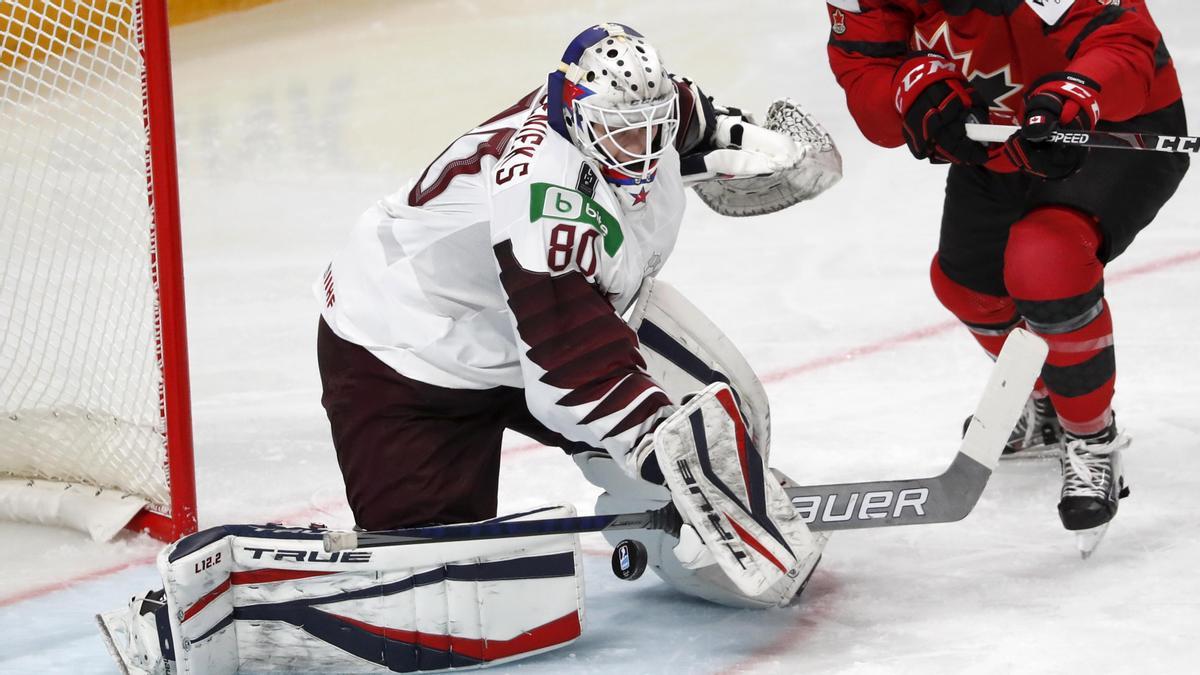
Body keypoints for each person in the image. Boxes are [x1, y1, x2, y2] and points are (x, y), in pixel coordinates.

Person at [314, 22, 839, 608]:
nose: (641, 150)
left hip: (542, 317)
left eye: (652, 131)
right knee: (434, 591)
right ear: (576, 119)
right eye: (622, 135)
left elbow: (680, 110)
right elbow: (571, 367)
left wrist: (728, 133)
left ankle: (671, 529)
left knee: (726, 411)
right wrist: (667, 452)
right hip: (407, 354)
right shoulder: (546, 199)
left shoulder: (632, 110)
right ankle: (682, 504)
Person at [824, 0, 1188, 544]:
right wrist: (909, 88)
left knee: (1046, 258)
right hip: (999, 139)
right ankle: (1044, 397)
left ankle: (1091, 434)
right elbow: (867, 81)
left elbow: (1124, 44)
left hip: (1109, 126)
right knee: (967, 285)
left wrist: (1078, 92)